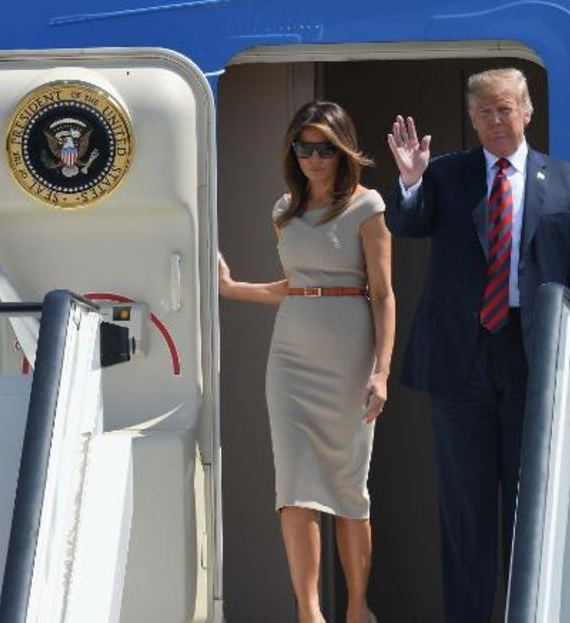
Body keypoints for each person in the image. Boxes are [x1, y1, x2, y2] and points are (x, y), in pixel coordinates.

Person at [385, 67, 570, 622]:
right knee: (466, 517)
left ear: (527, 112)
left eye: (505, 109)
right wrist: (410, 180)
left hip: (535, 366)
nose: (496, 120)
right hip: (462, 365)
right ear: (472, 119)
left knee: (531, 513)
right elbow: (410, 225)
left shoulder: (568, 181)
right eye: (484, 112)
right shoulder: (448, 175)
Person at [218, 101, 394, 623]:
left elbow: (383, 295)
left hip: (349, 354)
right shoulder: (283, 211)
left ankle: (358, 607)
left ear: (343, 151)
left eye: (325, 149)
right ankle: (309, 612)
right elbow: (296, 286)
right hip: (291, 357)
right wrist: (232, 290)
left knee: (346, 486)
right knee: (294, 487)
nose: (315, 158)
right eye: (305, 148)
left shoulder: (368, 207)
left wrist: (381, 372)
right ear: (293, 152)